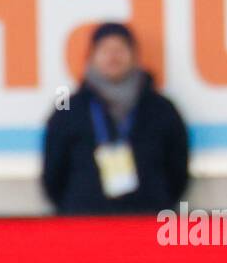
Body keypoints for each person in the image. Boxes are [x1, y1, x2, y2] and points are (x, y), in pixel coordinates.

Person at [41, 21, 189, 215]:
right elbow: (53, 173)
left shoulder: (161, 109)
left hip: (146, 221)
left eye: (120, 49)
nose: (113, 57)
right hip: (84, 223)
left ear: (134, 56)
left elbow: (177, 169)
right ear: (91, 57)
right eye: (105, 50)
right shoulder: (69, 110)